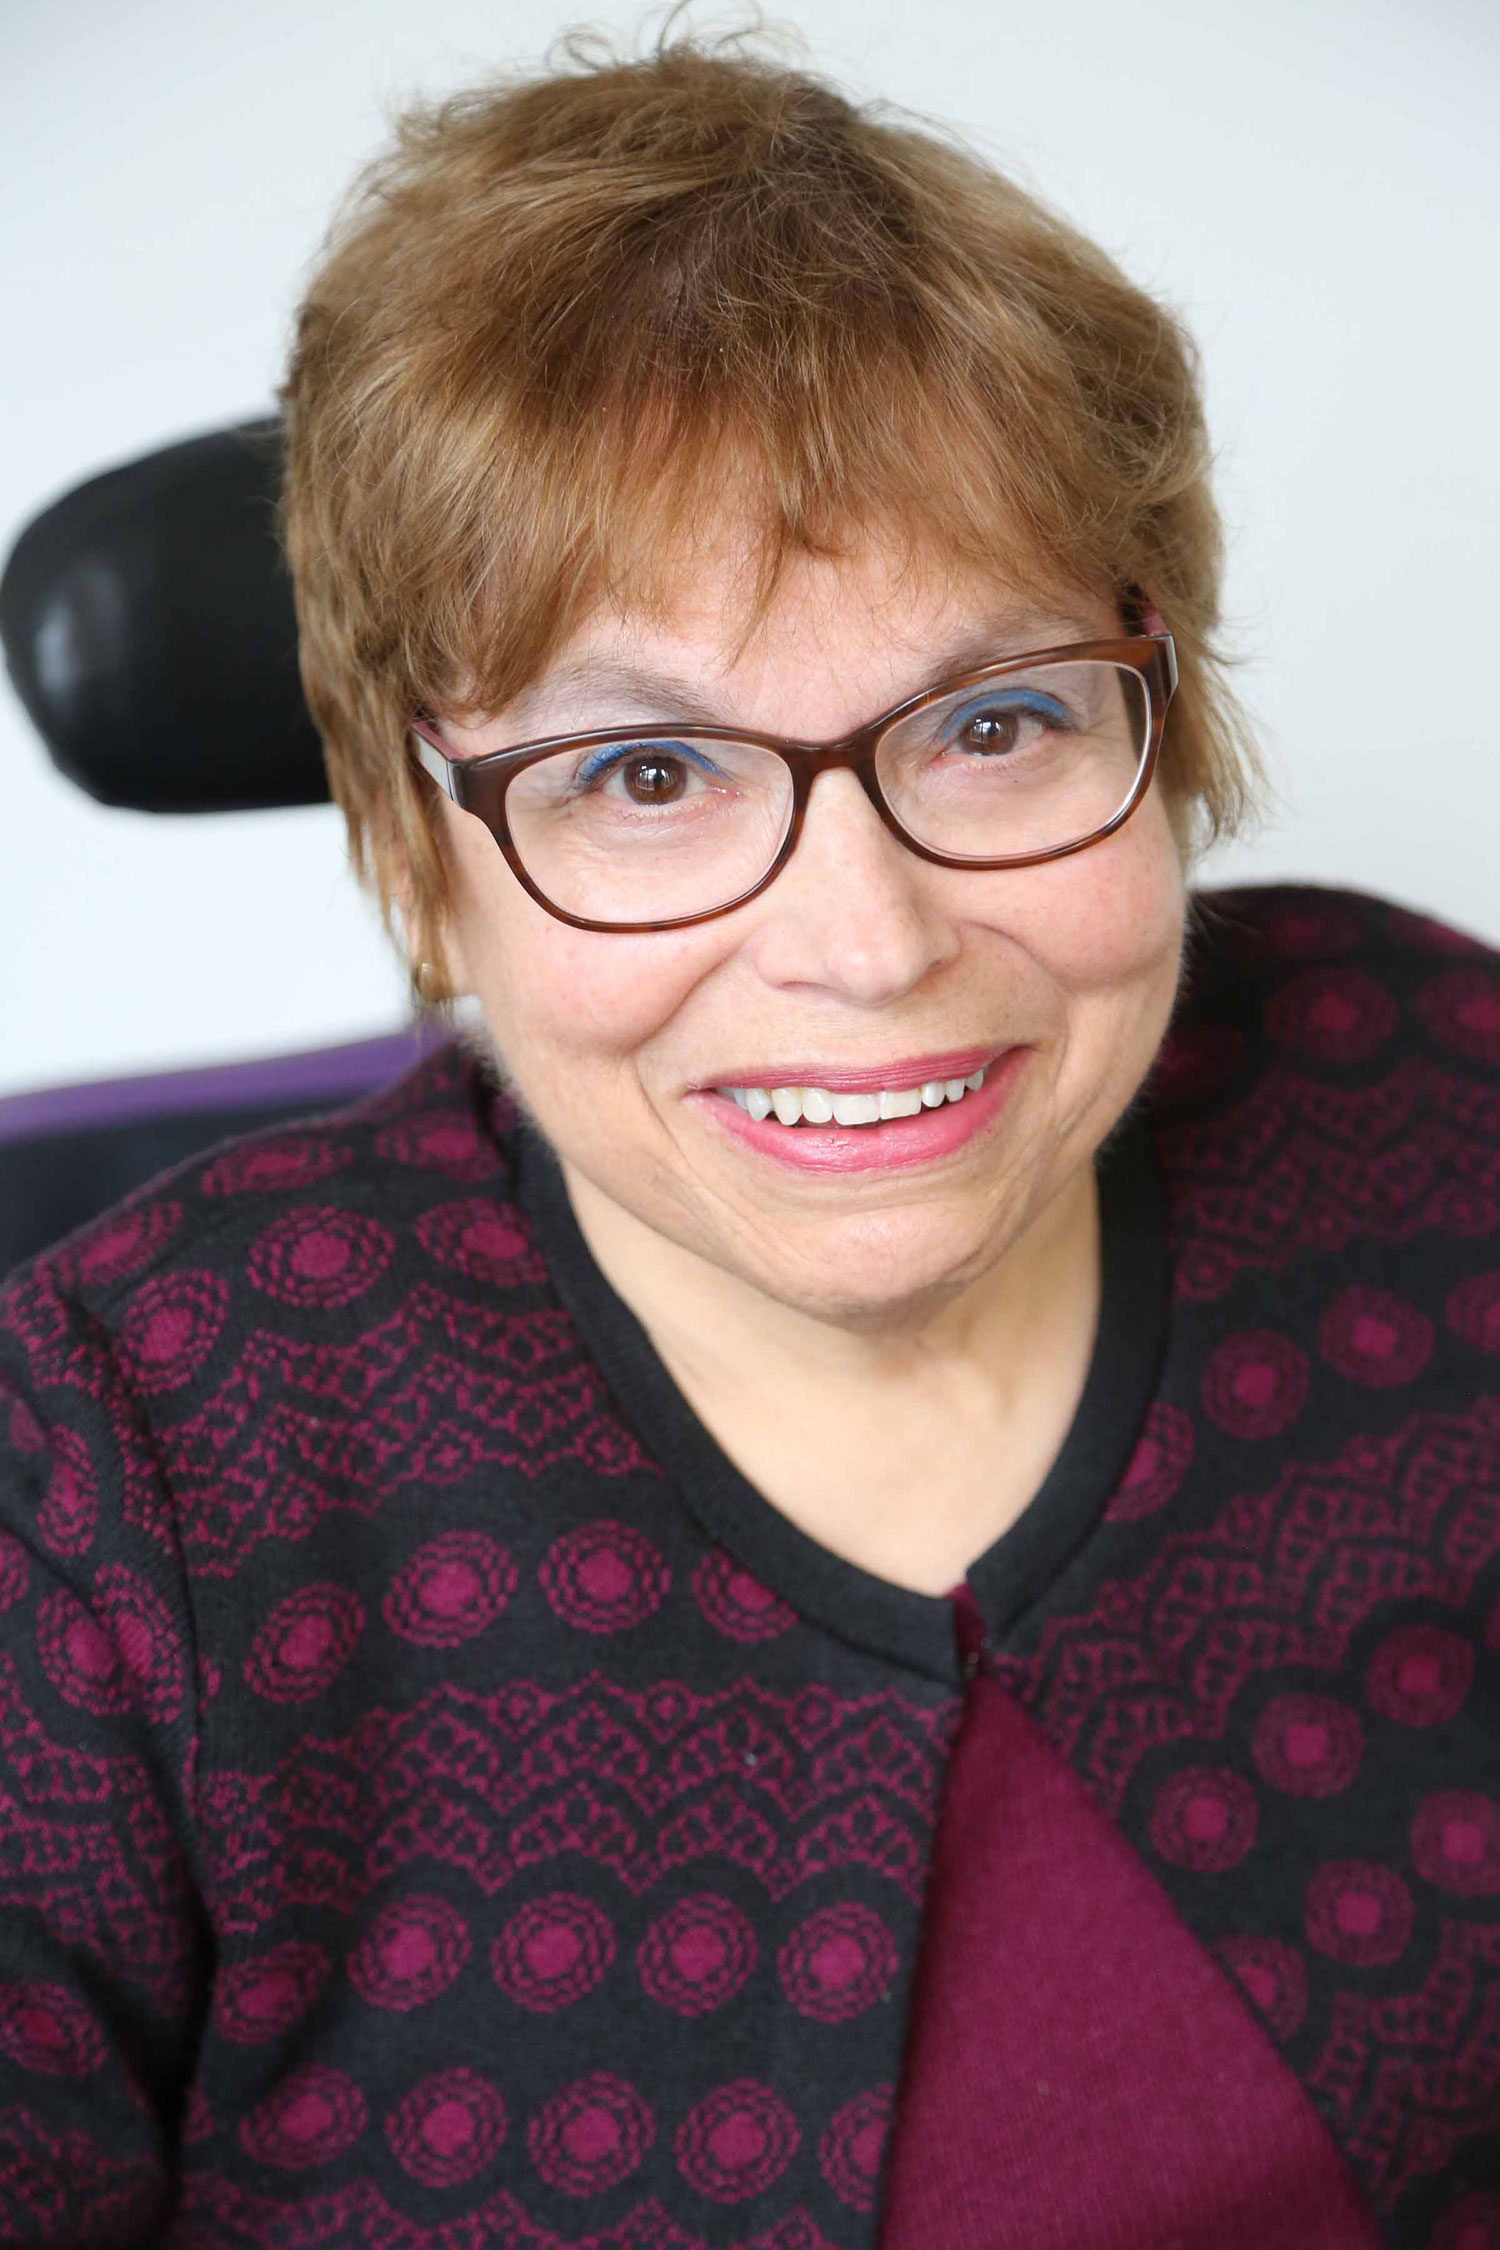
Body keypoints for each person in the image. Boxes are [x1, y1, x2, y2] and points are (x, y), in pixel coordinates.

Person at [0, 29, 1495, 2249]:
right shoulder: (113, 1479)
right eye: (646, 775)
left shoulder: (1435, 1103)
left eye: (992, 723)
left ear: (1162, 715)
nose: (869, 945)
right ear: (427, 850)